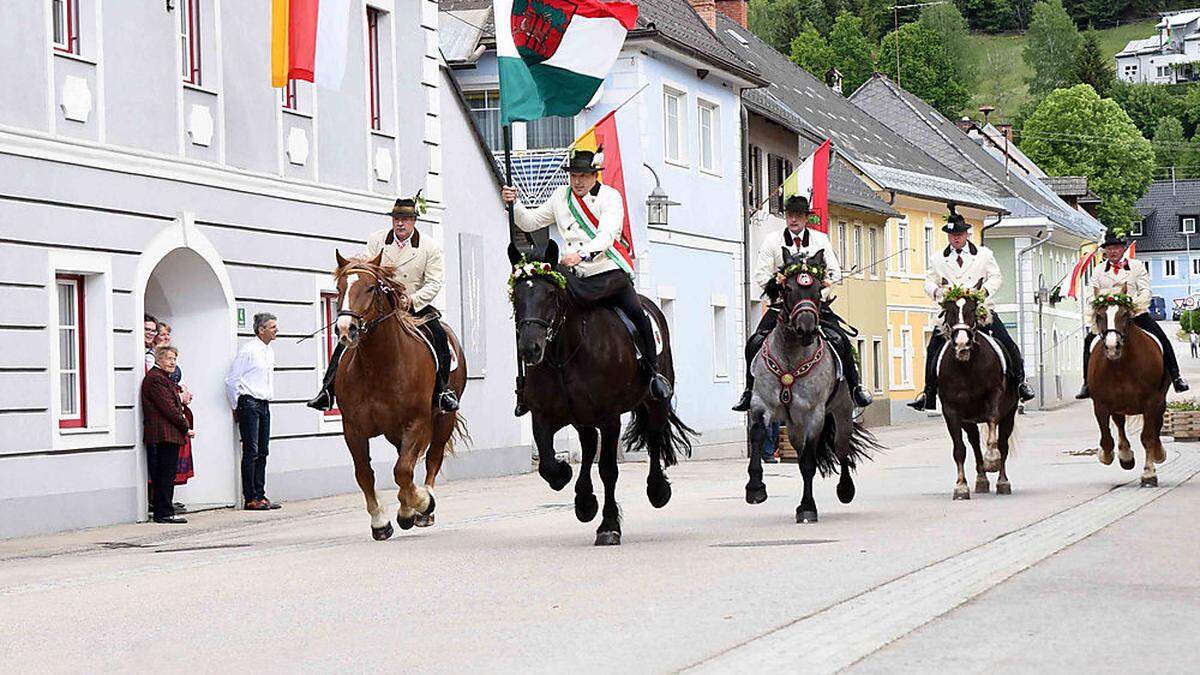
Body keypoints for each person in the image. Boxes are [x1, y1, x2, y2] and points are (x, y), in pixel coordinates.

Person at [502, 148, 672, 416]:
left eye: (583, 175)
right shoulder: (561, 197)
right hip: (577, 276)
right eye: (573, 176)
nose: (578, 181)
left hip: (607, 272)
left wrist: (582, 253)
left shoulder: (610, 198)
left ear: (595, 176)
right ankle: (530, 387)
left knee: (638, 315)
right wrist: (515, 204)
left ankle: (653, 375)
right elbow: (531, 221)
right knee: (538, 312)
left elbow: (608, 234)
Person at [308, 193, 459, 413]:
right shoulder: (377, 240)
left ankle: (443, 391)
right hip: (381, 303)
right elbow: (369, 272)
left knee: (438, 334)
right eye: (396, 218)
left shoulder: (430, 247)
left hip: (413, 303)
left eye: (405, 219)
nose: (400, 223)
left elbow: (434, 283)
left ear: (414, 221)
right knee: (346, 337)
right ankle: (327, 390)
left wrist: (412, 300)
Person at [732, 195, 873, 412]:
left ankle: (856, 388)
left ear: (806, 218)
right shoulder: (772, 241)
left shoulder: (820, 240)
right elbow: (761, 274)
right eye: (790, 215)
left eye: (798, 215)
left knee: (841, 340)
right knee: (754, 342)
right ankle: (749, 390)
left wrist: (821, 292)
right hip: (784, 305)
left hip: (814, 305)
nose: (793, 220)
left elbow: (834, 272)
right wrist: (778, 285)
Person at [909, 210, 1036, 411]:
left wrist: (983, 292)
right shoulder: (937, 259)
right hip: (951, 313)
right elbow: (929, 281)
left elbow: (996, 277)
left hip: (979, 309)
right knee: (933, 348)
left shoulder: (984, 255)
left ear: (967, 234)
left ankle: (1020, 383)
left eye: (959, 235)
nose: (956, 239)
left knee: (1006, 341)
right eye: (952, 236)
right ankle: (929, 392)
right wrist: (938, 292)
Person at [1077, 230, 1188, 398]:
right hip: (1108, 317)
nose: (1112, 251)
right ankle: (1087, 383)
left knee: (1162, 338)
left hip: (1135, 314)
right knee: (1088, 342)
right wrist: (1099, 305)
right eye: (1109, 248)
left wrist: (1131, 305)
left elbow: (1145, 290)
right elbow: (1092, 294)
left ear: (1123, 249)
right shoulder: (1098, 270)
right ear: (1105, 251)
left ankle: (1176, 376)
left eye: (1116, 248)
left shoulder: (1136, 266)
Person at [226, 312, 282, 511]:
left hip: (264, 403)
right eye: (273, 327)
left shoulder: (269, 351)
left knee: (263, 451)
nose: (277, 330)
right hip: (249, 403)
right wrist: (235, 406)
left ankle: (261, 494)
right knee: (251, 451)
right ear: (261, 330)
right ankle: (250, 497)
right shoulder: (248, 350)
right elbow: (232, 380)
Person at [141, 345, 189, 524]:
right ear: (158, 360)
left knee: (168, 473)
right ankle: (164, 512)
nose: (172, 363)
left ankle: (165, 510)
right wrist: (185, 426)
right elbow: (169, 408)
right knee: (164, 473)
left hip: (168, 433)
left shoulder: (164, 378)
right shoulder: (156, 379)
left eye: (175, 359)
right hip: (163, 433)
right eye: (169, 358)